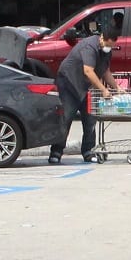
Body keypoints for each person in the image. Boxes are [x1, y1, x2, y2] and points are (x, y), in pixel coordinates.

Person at [49, 26, 119, 165]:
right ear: (102, 38)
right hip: (69, 83)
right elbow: (88, 71)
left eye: (112, 46)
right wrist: (103, 89)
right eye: (108, 45)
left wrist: (116, 88)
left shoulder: (106, 51)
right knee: (67, 117)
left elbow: (105, 71)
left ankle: (88, 151)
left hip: (86, 86)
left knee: (90, 118)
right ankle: (56, 152)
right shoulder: (89, 47)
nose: (109, 48)